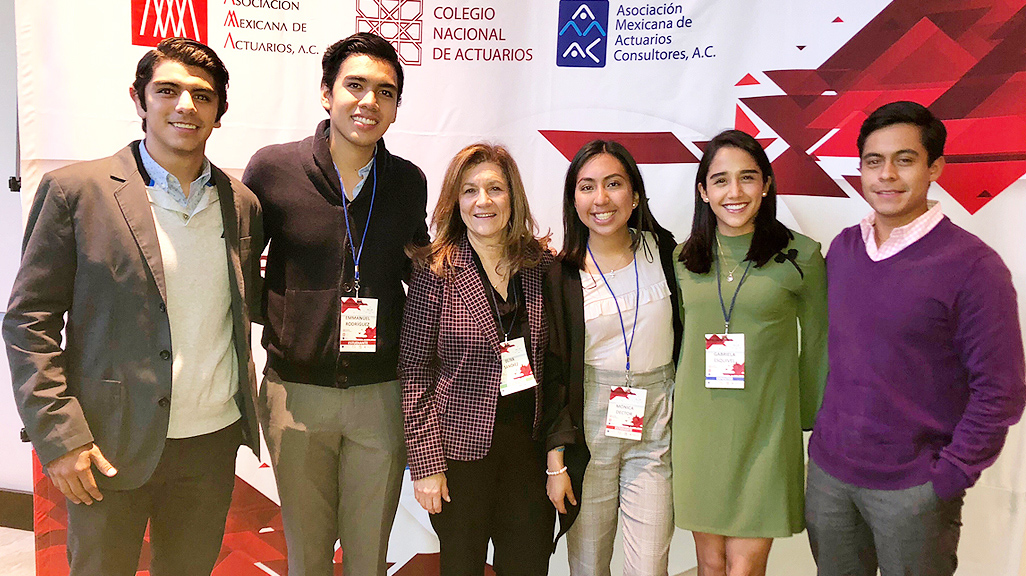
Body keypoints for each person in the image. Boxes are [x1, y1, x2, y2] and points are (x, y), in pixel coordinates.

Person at [3, 38, 262, 575]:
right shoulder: (77, 192)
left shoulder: (241, 204)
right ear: (139, 100)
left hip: (210, 444)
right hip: (105, 445)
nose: (185, 106)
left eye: (202, 96)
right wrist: (60, 437)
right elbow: (30, 321)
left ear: (220, 112)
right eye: (167, 91)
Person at [805, 101, 1026, 576]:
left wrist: (949, 476)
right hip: (830, 478)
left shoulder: (973, 267)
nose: (886, 175)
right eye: (873, 161)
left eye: (904, 160)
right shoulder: (843, 249)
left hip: (913, 490)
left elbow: (1001, 391)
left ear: (935, 168)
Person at [241, 32, 428, 576]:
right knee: (307, 554)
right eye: (355, 86)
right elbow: (241, 271)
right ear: (327, 93)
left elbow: (417, 274)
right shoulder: (273, 169)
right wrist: (290, 321)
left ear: (395, 107)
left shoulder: (408, 182)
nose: (369, 101)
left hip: (380, 396)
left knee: (369, 557)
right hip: (295, 395)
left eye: (385, 92)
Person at [672, 129, 828, 576]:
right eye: (720, 180)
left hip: (766, 429)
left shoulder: (802, 254)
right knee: (709, 563)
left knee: (744, 568)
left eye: (747, 178)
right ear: (703, 191)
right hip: (699, 429)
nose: (734, 192)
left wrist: (809, 421)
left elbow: (818, 343)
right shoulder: (684, 259)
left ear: (767, 184)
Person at [400, 143, 555, 575]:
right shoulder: (435, 270)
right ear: (456, 201)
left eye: (495, 189)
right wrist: (426, 466)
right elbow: (413, 371)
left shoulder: (542, 267)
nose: (482, 201)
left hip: (529, 455)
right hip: (459, 459)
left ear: (513, 197)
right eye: (469, 191)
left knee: (528, 565)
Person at [542, 140, 682, 576]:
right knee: (588, 563)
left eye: (613, 184)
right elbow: (553, 372)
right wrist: (556, 463)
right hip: (590, 429)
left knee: (650, 564)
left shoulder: (663, 250)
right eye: (587, 187)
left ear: (635, 194)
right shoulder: (560, 273)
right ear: (574, 199)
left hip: (657, 422)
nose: (600, 199)